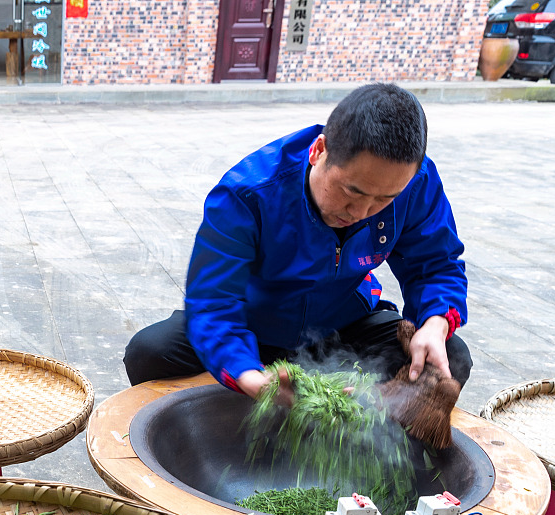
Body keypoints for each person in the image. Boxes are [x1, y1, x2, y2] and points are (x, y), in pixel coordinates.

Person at [123, 83, 471, 401]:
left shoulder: (417, 181)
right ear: (319, 151)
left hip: (344, 323)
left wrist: (435, 322)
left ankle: (361, 425)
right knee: (150, 351)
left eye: (384, 199)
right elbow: (214, 302)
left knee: (447, 358)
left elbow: (437, 265)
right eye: (352, 191)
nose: (363, 212)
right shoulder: (247, 194)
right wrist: (248, 375)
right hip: (255, 326)